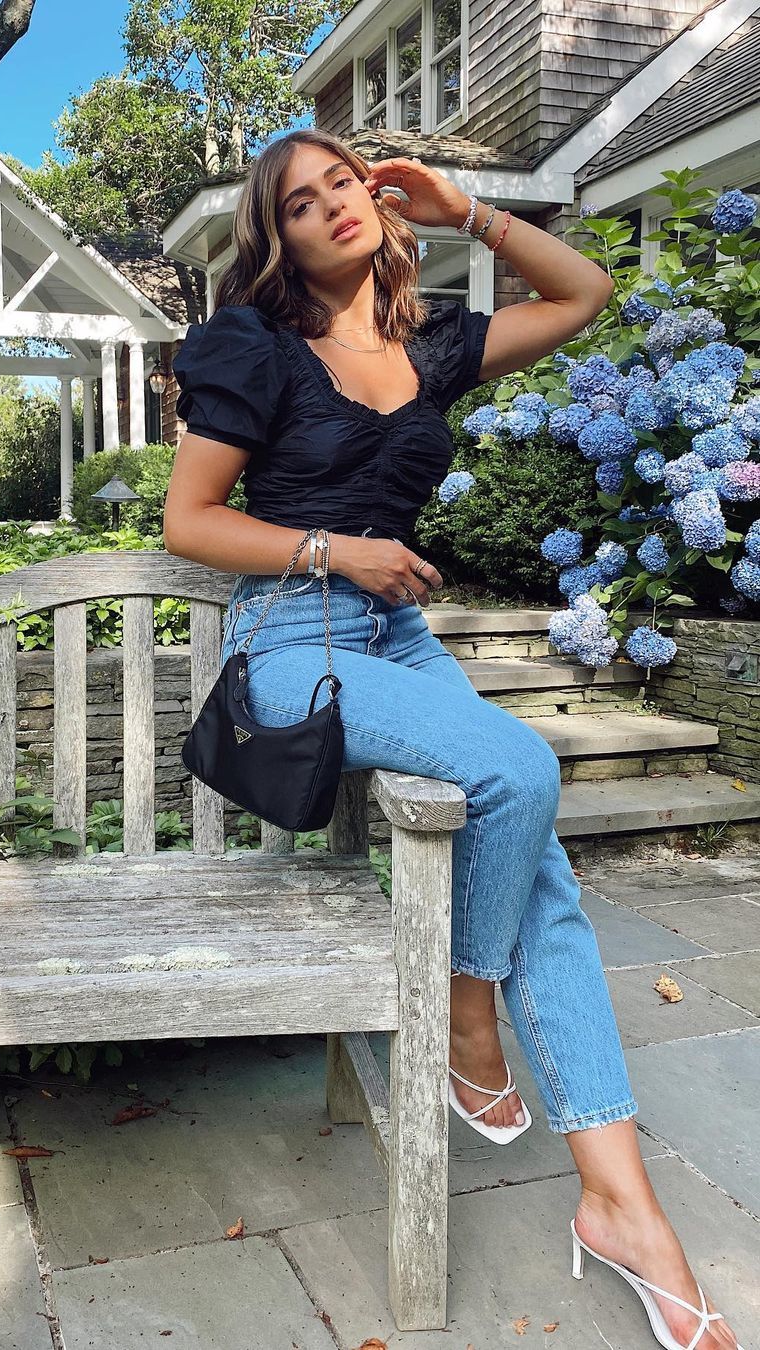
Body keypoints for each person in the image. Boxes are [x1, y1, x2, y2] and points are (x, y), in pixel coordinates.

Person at [162, 127, 742, 1350]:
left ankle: (622, 1207)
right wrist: (338, 550)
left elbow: (584, 293)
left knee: (546, 876)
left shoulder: (428, 344)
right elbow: (191, 522)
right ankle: (466, 1012)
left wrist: (466, 208)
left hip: (395, 637)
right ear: (278, 237)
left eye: (345, 184)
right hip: (290, 637)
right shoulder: (254, 347)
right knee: (519, 764)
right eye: (302, 202)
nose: (333, 206)